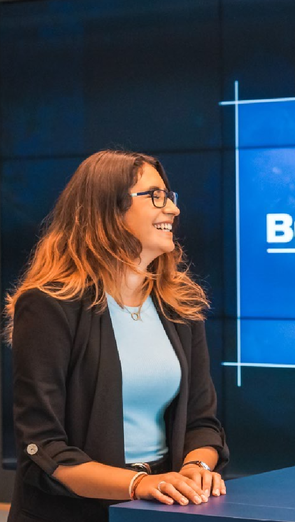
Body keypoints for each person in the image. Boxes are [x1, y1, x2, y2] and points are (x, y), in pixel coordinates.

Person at [5, 150, 229, 521]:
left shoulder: (180, 304)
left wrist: (196, 469)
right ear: (108, 210)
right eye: (155, 196)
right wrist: (138, 484)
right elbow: (42, 448)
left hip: (160, 506)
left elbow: (201, 424)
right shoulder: (48, 305)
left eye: (169, 197)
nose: (173, 210)